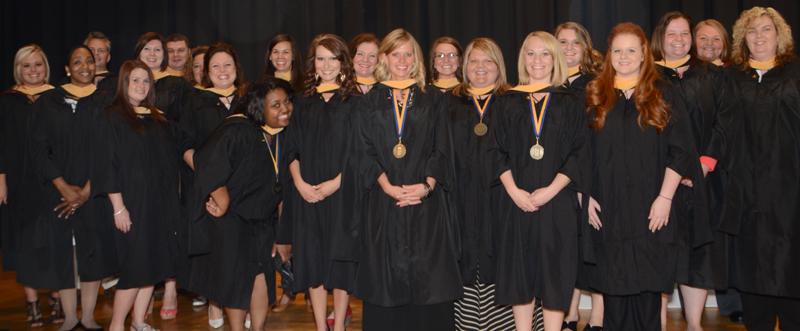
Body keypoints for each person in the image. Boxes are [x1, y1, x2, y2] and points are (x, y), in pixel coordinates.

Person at [583, 22, 701, 331]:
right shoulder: (595, 93)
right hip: (607, 208)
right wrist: (585, 195)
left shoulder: (663, 92)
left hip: (652, 206)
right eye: (617, 50)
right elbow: (580, 151)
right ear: (609, 54)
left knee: (649, 292)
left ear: (644, 54)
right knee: (613, 288)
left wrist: (665, 198)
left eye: (631, 50)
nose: (623, 57)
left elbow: (680, 150)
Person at [352, 28, 461, 331]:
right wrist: (386, 186)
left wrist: (427, 186)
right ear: (384, 57)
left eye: (408, 53)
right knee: (386, 281)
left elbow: (443, 148)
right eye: (395, 53)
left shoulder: (431, 99)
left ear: (416, 58)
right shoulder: (367, 101)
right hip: (384, 203)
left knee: (429, 280)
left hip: (426, 206)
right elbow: (362, 151)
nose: (402, 60)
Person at [491, 31, 589, 331]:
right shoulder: (507, 101)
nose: (537, 60)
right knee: (520, 274)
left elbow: (580, 152)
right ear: (523, 59)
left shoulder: (571, 102)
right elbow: (494, 151)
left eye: (545, 53)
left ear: (555, 58)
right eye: (531, 53)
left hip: (557, 201)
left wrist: (550, 190)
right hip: (516, 201)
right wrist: (514, 191)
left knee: (555, 275)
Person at [651, 11, 740, 331]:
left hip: (706, 180)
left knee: (700, 254)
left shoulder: (713, 75)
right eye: (671, 34)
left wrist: (704, 164)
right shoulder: (650, 76)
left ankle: (694, 324)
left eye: (684, 34)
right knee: (662, 251)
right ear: (660, 38)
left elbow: (725, 121)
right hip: (660, 181)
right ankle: (658, 323)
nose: (678, 40)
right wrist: (669, 170)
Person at [24, 45, 116, 331]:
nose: (85, 66)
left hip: (95, 191)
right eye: (77, 61)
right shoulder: (48, 102)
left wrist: (88, 190)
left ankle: (87, 316)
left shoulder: (106, 102)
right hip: (57, 191)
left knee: (92, 251)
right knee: (64, 253)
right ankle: (69, 317)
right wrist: (63, 186)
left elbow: (111, 150)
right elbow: (38, 149)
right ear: (67, 68)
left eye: (89, 61)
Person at [191, 79, 292, 331]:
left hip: (262, 220)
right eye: (276, 104)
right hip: (233, 222)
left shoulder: (281, 136)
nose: (285, 109)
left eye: (287, 102)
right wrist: (221, 198)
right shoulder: (237, 130)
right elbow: (205, 161)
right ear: (259, 108)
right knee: (237, 282)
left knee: (262, 279)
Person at [723, 6, 800, 330]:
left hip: (791, 190)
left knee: (791, 267)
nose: (759, 36)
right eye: (752, 31)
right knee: (752, 269)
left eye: (766, 29)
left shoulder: (795, 73)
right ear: (743, 37)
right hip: (746, 190)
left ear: (779, 34)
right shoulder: (731, 78)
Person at [278, 33, 359, 331]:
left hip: (340, 193)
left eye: (332, 59)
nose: (326, 65)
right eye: (320, 59)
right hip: (307, 193)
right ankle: (320, 327)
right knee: (312, 260)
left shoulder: (354, 102)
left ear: (342, 63)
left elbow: (359, 152)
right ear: (313, 63)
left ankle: (338, 325)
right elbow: (291, 149)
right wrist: (299, 183)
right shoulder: (301, 102)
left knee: (339, 261)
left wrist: (337, 183)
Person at [93, 60, 180, 331]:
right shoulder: (112, 116)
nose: (141, 86)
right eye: (135, 80)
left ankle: (139, 322)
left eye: (146, 81)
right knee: (135, 267)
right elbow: (107, 165)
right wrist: (119, 207)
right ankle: (117, 325)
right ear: (124, 83)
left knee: (152, 266)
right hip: (131, 203)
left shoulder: (157, 118)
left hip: (159, 203)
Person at [448, 37, 515, 331]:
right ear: (465, 66)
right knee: (465, 258)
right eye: (474, 60)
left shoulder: (513, 101)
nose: (480, 67)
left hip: (502, 198)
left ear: (499, 66)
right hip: (460, 198)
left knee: (504, 259)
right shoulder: (449, 103)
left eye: (488, 60)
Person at [181, 42, 248, 329]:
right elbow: (186, 147)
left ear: (236, 69)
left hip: (244, 190)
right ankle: (215, 302)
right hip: (210, 189)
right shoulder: (195, 101)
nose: (222, 71)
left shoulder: (247, 100)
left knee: (243, 252)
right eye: (216, 66)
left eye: (228, 65)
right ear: (206, 71)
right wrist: (213, 182)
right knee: (216, 251)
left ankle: (240, 305)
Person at [0, 44, 59, 328]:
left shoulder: (58, 97)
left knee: (54, 242)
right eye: (27, 66)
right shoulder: (8, 100)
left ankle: (57, 295)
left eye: (38, 64)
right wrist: (1, 180)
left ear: (45, 67)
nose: (33, 70)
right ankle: (32, 301)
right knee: (25, 243)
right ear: (18, 69)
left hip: (52, 181)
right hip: (19, 181)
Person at [553, 21, 605, 331]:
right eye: (562, 41)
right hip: (558, 180)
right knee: (566, 248)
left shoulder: (598, 84)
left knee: (595, 246)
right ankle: (570, 313)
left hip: (593, 176)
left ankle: (597, 318)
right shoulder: (547, 84)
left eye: (576, 42)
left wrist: (587, 186)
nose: (569, 47)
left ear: (586, 47)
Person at [693, 18, 744, 324]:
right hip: (698, 166)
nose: (710, 45)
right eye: (703, 39)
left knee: (729, 235)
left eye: (716, 40)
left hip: (729, 168)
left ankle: (733, 300)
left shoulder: (736, 76)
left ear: (726, 45)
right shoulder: (683, 76)